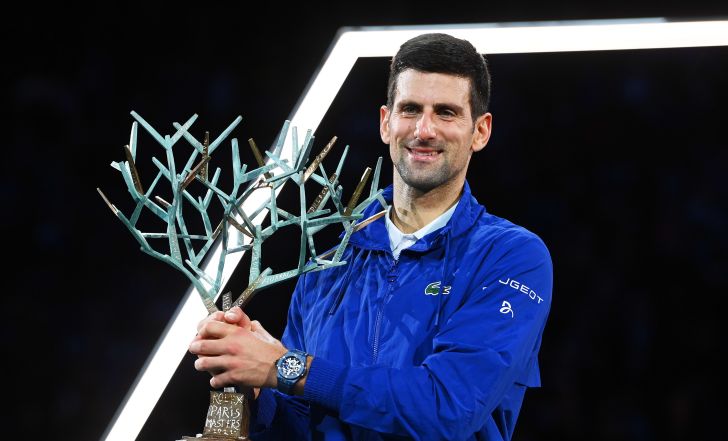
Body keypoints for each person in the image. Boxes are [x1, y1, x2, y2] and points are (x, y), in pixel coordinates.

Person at [189, 32, 553, 440]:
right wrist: (257, 387)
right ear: (385, 122)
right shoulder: (328, 262)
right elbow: (303, 421)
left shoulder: (511, 257)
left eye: (446, 113)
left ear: (480, 131)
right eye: (410, 109)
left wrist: (284, 366)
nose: (424, 129)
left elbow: (448, 407)